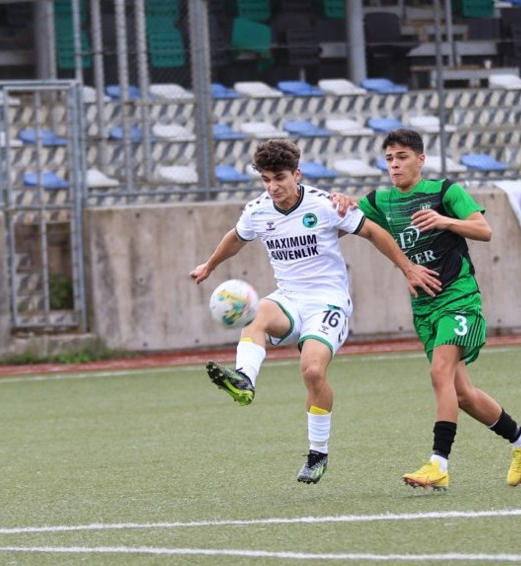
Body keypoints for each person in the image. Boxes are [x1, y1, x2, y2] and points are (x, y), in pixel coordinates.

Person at [189, 139, 441, 485]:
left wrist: (407, 269)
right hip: (289, 298)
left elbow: (373, 231)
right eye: (265, 179)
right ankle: (244, 380)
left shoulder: (325, 205)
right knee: (256, 315)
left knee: (311, 371)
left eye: (279, 177)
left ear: (297, 174)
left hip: (328, 302)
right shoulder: (258, 211)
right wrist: (210, 265)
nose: (273, 187)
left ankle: (317, 453)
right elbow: (237, 236)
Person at [332, 128, 521, 490]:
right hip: (424, 307)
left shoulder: (445, 192)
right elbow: (338, 227)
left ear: (420, 159)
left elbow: (484, 229)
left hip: (459, 297)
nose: (395, 165)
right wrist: (338, 203)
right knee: (462, 394)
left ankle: (438, 464)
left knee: (439, 373)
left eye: (402, 157)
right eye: (389, 159)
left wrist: (444, 220)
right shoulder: (379, 202)